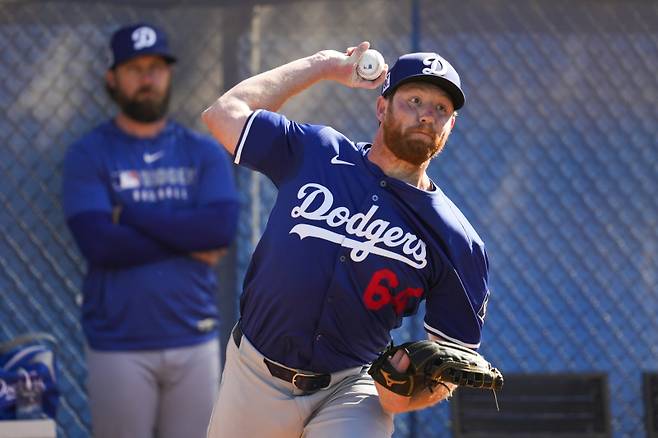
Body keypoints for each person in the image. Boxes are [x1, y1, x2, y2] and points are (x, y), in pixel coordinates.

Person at [202, 42, 490, 438]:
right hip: (254, 373)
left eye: (441, 109)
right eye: (414, 99)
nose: (427, 115)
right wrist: (321, 66)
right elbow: (223, 114)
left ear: (451, 126)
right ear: (382, 108)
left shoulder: (457, 241)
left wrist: (405, 397)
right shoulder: (317, 152)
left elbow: (452, 364)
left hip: (351, 389)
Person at [61, 23, 240, 438]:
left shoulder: (202, 152)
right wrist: (187, 238)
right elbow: (100, 244)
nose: (147, 78)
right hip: (119, 344)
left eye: (156, 67)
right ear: (112, 78)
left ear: (169, 74)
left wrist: (131, 216)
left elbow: (219, 230)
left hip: (193, 338)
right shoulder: (89, 154)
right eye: (135, 68)